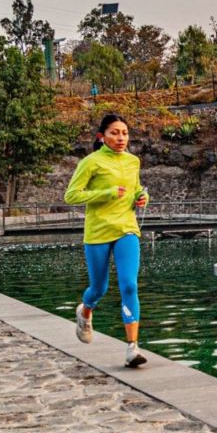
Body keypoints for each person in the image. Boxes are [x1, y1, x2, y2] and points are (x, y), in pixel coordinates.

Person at [64, 114, 151, 367]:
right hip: (98, 232)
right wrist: (107, 193)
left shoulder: (133, 161)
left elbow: (135, 189)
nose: (121, 138)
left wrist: (142, 197)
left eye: (125, 133)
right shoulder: (91, 162)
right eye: (115, 132)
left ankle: (132, 347)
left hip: (127, 229)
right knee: (99, 288)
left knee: (129, 285)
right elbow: (71, 196)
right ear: (101, 136)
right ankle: (85, 311)